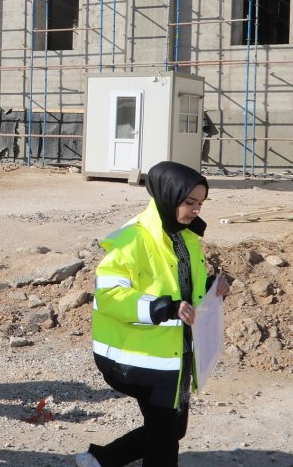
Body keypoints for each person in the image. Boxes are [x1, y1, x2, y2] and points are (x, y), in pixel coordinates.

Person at [76, 161, 231, 467]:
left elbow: (186, 288)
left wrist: (213, 289)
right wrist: (164, 308)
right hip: (142, 356)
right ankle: (103, 459)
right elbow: (109, 296)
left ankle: (102, 459)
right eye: (189, 202)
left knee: (174, 429)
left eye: (200, 203)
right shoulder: (131, 240)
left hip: (177, 353)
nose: (196, 210)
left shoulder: (186, 237)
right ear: (168, 196)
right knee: (164, 437)